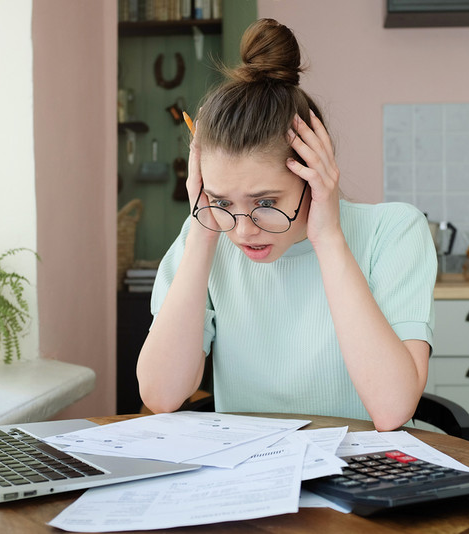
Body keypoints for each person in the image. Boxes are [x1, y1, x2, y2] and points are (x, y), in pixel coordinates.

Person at [136, 18, 435, 431]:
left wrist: (328, 238)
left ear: (314, 174)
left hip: (363, 478)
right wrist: (204, 229)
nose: (242, 231)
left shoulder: (395, 231)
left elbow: (391, 409)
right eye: (223, 200)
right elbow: (161, 394)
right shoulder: (207, 233)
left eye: (265, 202)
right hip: (252, 478)